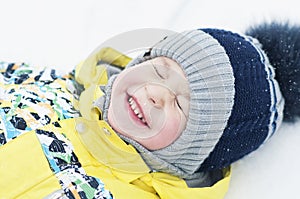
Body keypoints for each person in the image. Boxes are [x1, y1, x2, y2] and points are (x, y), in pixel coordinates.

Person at [0, 21, 299, 199]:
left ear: (194, 153)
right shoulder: (51, 85)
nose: (154, 93)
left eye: (182, 105)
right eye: (160, 69)